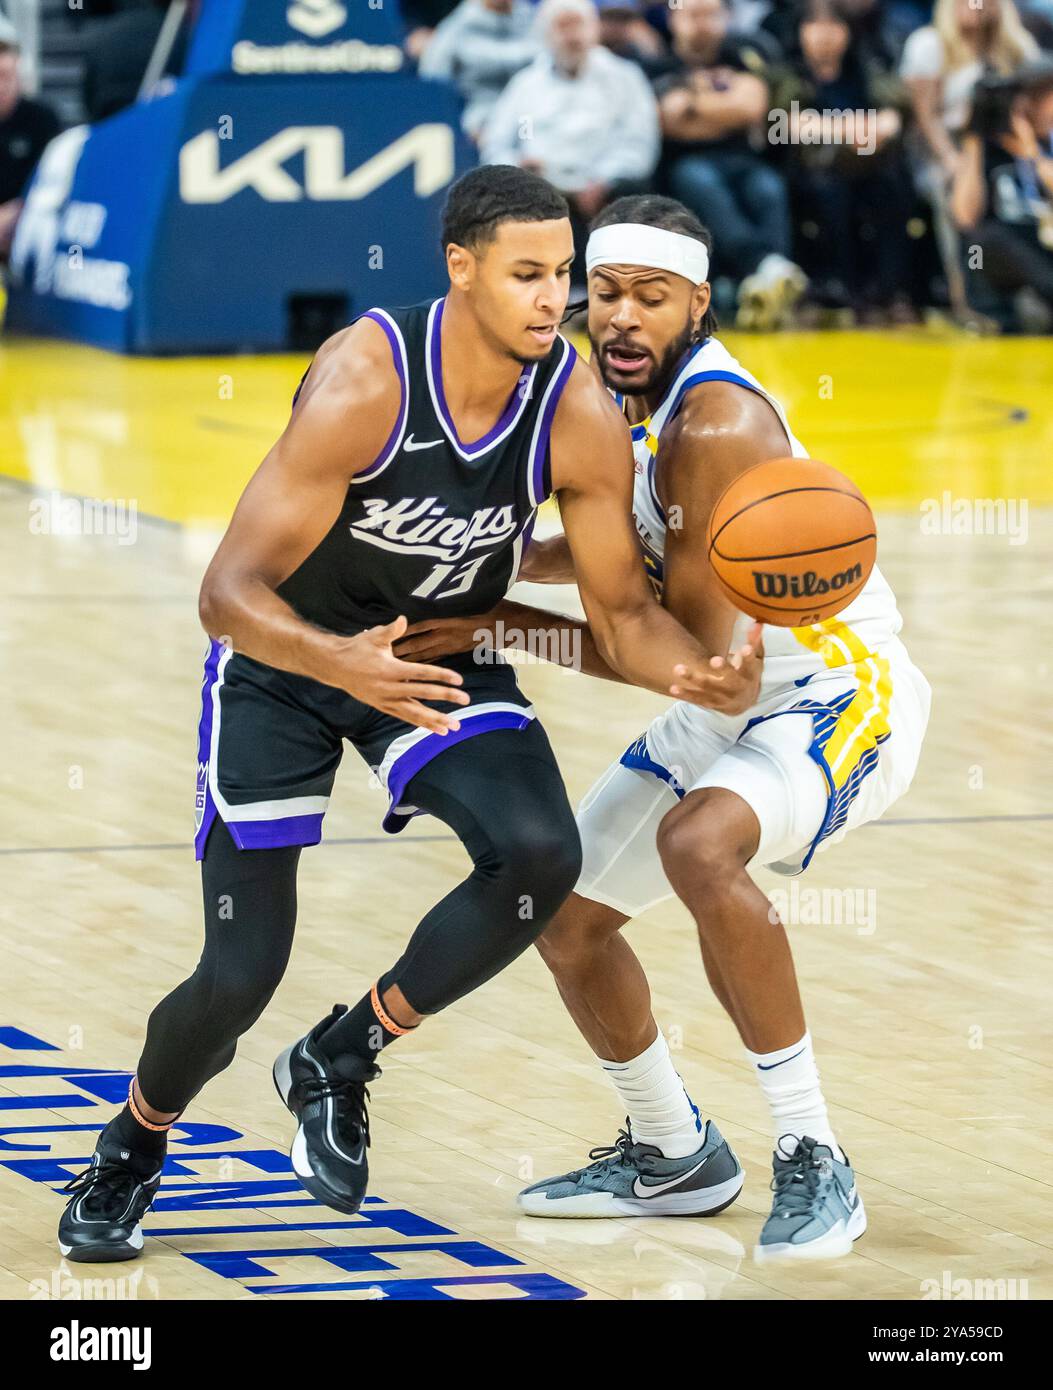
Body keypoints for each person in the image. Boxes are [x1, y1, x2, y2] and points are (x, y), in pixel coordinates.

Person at [56, 166, 765, 1263]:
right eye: (529, 274)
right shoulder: (366, 379)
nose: (553, 299)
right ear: (461, 267)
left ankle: (345, 1052)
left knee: (539, 855)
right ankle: (134, 1146)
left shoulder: (569, 404)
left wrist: (699, 674)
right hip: (289, 657)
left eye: (562, 275)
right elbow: (226, 594)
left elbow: (622, 613)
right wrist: (337, 660)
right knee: (239, 974)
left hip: (438, 650)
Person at [400, 195, 931, 1260]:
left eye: (651, 298)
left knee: (699, 846)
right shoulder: (608, 390)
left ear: (698, 301)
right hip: (718, 699)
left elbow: (678, 653)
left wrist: (498, 627)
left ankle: (815, 1152)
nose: (622, 318)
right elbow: (620, 555)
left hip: (833, 690)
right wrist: (491, 558)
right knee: (564, 917)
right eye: (604, 294)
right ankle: (673, 1149)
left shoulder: (717, 422)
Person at [655, 0, 807, 329]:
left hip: (743, 159)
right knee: (702, 183)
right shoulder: (660, 63)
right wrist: (724, 107)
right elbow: (669, 118)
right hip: (685, 162)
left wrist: (696, 105)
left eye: (711, 14)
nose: (703, 23)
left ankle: (765, 289)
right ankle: (766, 268)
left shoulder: (743, 54)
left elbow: (752, 108)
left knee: (768, 188)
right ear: (673, 18)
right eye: (693, 14)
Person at [480, 0, 660, 274]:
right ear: (545, 34)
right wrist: (517, 167)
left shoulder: (625, 77)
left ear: (594, 29)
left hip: (605, 186)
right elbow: (496, 144)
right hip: (542, 186)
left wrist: (602, 179)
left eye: (578, 25)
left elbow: (639, 143)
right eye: (562, 27)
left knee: (629, 192)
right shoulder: (525, 85)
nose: (572, 36)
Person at [769, 0, 915, 323]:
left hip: (868, 163)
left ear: (848, 32)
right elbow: (787, 124)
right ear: (800, 32)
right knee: (829, 190)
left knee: (894, 185)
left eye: (835, 25)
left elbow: (894, 115)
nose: (825, 35)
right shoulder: (789, 73)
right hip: (809, 168)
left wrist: (867, 130)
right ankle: (838, 285)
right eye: (815, 25)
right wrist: (851, 128)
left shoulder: (865, 69)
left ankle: (887, 289)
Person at [901, 0, 1038, 320]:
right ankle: (966, 291)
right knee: (958, 200)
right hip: (948, 149)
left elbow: (1034, 107)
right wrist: (952, 159)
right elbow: (925, 117)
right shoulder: (928, 44)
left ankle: (1024, 287)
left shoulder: (1017, 46)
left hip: (1007, 149)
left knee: (1016, 195)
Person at [950, 59, 1053, 327]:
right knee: (987, 239)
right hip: (998, 253)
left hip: (1043, 243)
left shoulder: (1046, 145)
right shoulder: (985, 149)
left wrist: (1031, 150)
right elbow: (964, 217)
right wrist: (973, 138)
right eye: (1041, 96)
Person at [418, 0, 539, 141]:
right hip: (482, 115)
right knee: (492, 140)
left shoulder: (534, 19)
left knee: (531, 139)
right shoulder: (458, 25)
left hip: (528, 113)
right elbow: (432, 77)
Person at [0, 34, 58, 260]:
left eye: (8, 76)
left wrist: (21, 210)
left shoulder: (42, 119)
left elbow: (53, 180)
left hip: (27, 226)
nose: (2, 86)